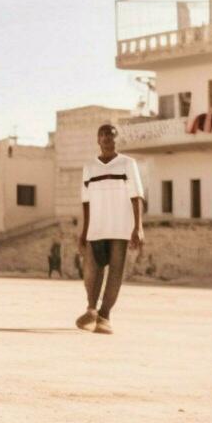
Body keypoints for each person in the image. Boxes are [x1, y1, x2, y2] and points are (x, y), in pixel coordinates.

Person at [77, 123, 144, 334]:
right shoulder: (89, 166)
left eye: (111, 135)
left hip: (121, 227)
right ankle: (91, 310)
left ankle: (104, 316)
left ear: (117, 140)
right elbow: (86, 202)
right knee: (91, 273)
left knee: (115, 273)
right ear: (98, 140)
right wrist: (84, 230)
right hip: (96, 227)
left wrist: (138, 227)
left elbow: (137, 196)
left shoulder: (128, 164)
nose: (107, 138)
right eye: (103, 134)